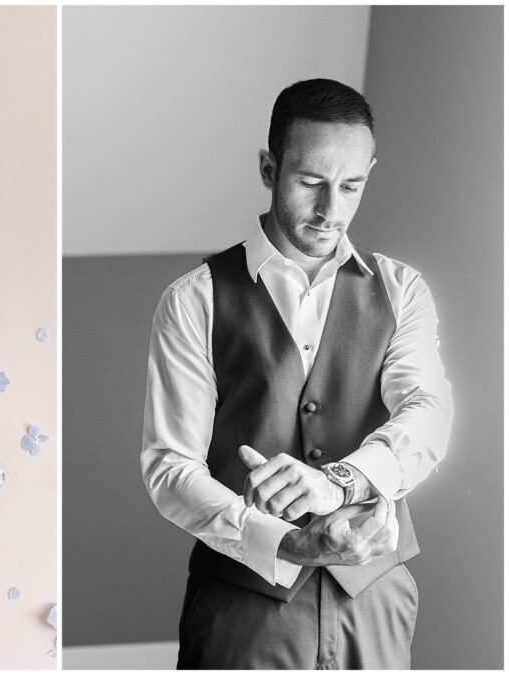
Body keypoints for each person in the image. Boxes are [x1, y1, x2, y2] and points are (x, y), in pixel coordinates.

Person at [140, 78, 452, 669]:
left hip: (375, 595)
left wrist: (341, 481)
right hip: (244, 607)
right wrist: (283, 541)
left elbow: (428, 413)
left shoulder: (401, 289)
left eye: (352, 185)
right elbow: (169, 466)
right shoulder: (195, 299)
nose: (332, 209)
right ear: (269, 167)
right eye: (311, 182)